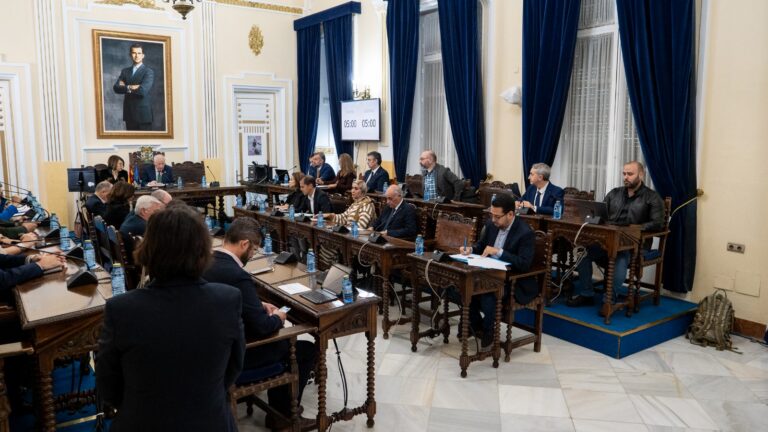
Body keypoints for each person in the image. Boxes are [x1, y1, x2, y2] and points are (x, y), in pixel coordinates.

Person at [97, 205, 244, 431]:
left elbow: (108, 385)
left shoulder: (121, 309)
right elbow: (233, 368)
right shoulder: (227, 300)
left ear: (149, 249)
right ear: (203, 250)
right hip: (209, 420)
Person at [202, 218, 317, 431]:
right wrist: (279, 318)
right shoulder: (237, 275)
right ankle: (283, 417)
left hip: (214, 349)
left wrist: (258, 304)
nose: (253, 255)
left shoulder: (208, 262)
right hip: (240, 355)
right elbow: (263, 327)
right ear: (244, 244)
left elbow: (231, 302)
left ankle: (280, 408)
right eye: (254, 250)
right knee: (305, 349)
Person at [568, 161, 665, 308]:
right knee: (583, 252)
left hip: (635, 244)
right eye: (624, 174)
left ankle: (609, 300)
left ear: (641, 174)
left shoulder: (652, 197)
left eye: (630, 174)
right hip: (608, 241)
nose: (626, 177)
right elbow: (602, 214)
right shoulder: (614, 193)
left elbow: (658, 223)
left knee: (620, 255)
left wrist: (631, 228)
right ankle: (587, 294)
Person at [459, 193, 535, 351]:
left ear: (510, 214)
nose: (493, 220)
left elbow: (524, 264)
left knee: (488, 295)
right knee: (460, 287)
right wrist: (470, 249)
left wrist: (499, 252)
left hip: (512, 279)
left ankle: (487, 330)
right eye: (491, 215)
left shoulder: (525, 232)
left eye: (497, 217)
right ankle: (478, 326)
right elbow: (481, 246)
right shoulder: (491, 224)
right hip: (488, 273)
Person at [112, 43, 155, 131]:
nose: (136, 56)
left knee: (144, 143)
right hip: (129, 114)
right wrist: (131, 87)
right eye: (134, 53)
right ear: (130, 55)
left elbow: (142, 91)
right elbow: (116, 88)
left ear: (143, 55)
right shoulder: (125, 71)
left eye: (139, 53)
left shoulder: (148, 72)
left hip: (143, 116)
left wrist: (125, 87)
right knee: (131, 143)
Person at [119, 195, 165, 261]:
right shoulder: (144, 226)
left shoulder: (132, 219)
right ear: (143, 211)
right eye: (156, 211)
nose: (159, 215)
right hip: (137, 262)